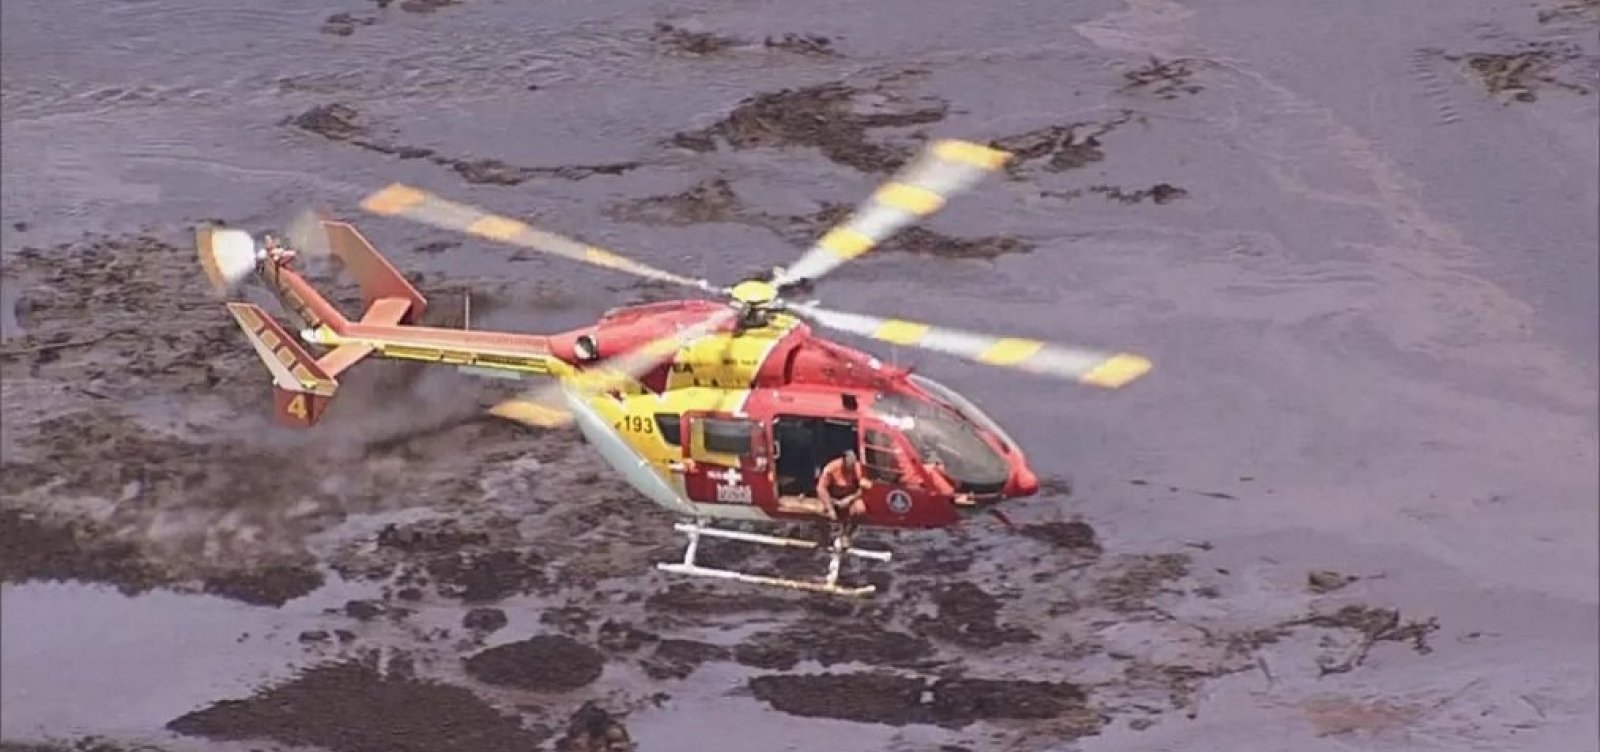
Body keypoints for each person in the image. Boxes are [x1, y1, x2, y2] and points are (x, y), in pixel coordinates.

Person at [816, 449, 871, 542]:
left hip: (849, 498)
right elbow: (821, 488)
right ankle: (824, 538)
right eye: (849, 464)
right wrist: (830, 508)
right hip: (833, 499)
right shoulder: (830, 468)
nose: (851, 467)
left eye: (853, 464)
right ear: (843, 461)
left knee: (860, 510)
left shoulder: (857, 467)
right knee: (820, 511)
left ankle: (847, 535)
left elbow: (865, 487)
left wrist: (849, 499)